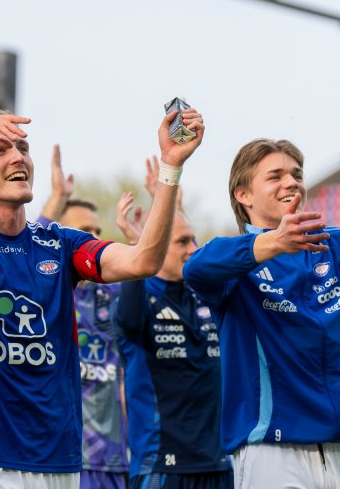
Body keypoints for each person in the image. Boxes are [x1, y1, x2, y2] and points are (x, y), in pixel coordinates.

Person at [0, 105, 204, 487]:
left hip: (60, 460)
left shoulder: (60, 243)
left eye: (22, 148)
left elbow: (143, 260)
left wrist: (171, 166)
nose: (17, 158)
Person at [183, 139, 340, 488]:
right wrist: (273, 243)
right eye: (275, 176)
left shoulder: (332, 246)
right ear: (244, 196)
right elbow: (195, 269)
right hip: (273, 451)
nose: (292, 182)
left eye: (296, 174)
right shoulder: (235, 264)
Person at [113, 208, 232, 489]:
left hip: (219, 463)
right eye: (182, 242)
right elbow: (128, 317)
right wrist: (138, 247)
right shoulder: (138, 298)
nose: (193, 248)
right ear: (158, 247)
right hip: (161, 466)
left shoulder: (207, 296)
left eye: (193, 239)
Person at [36, 146, 129, 489]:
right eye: (84, 232)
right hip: (62, 454)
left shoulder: (113, 292)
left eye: (97, 231)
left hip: (113, 456)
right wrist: (57, 198)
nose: (95, 240)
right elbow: (28, 251)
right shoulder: (46, 288)